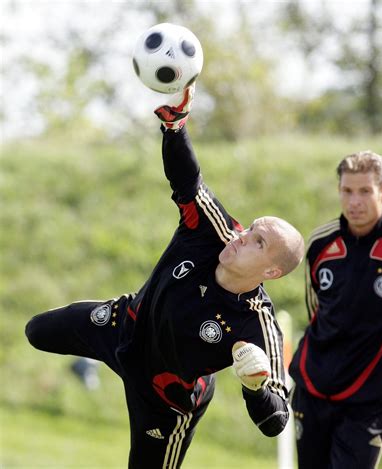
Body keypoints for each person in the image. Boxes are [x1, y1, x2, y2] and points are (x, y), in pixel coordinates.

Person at [25, 85, 305, 469]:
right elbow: (188, 183)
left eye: (257, 242)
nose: (241, 237)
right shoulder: (213, 233)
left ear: (271, 271)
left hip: (166, 395)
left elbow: (276, 422)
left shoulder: (257, 325)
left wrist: (255, 388)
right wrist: (175, 125)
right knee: (37, 331)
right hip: (123, 327)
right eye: (249, 229)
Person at [289, 151, 382, 469]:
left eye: (365, 191)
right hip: (312, 389)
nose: (355, 201)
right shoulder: (320, 243)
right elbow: (316, 312)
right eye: (347, 191)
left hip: (369, 402)